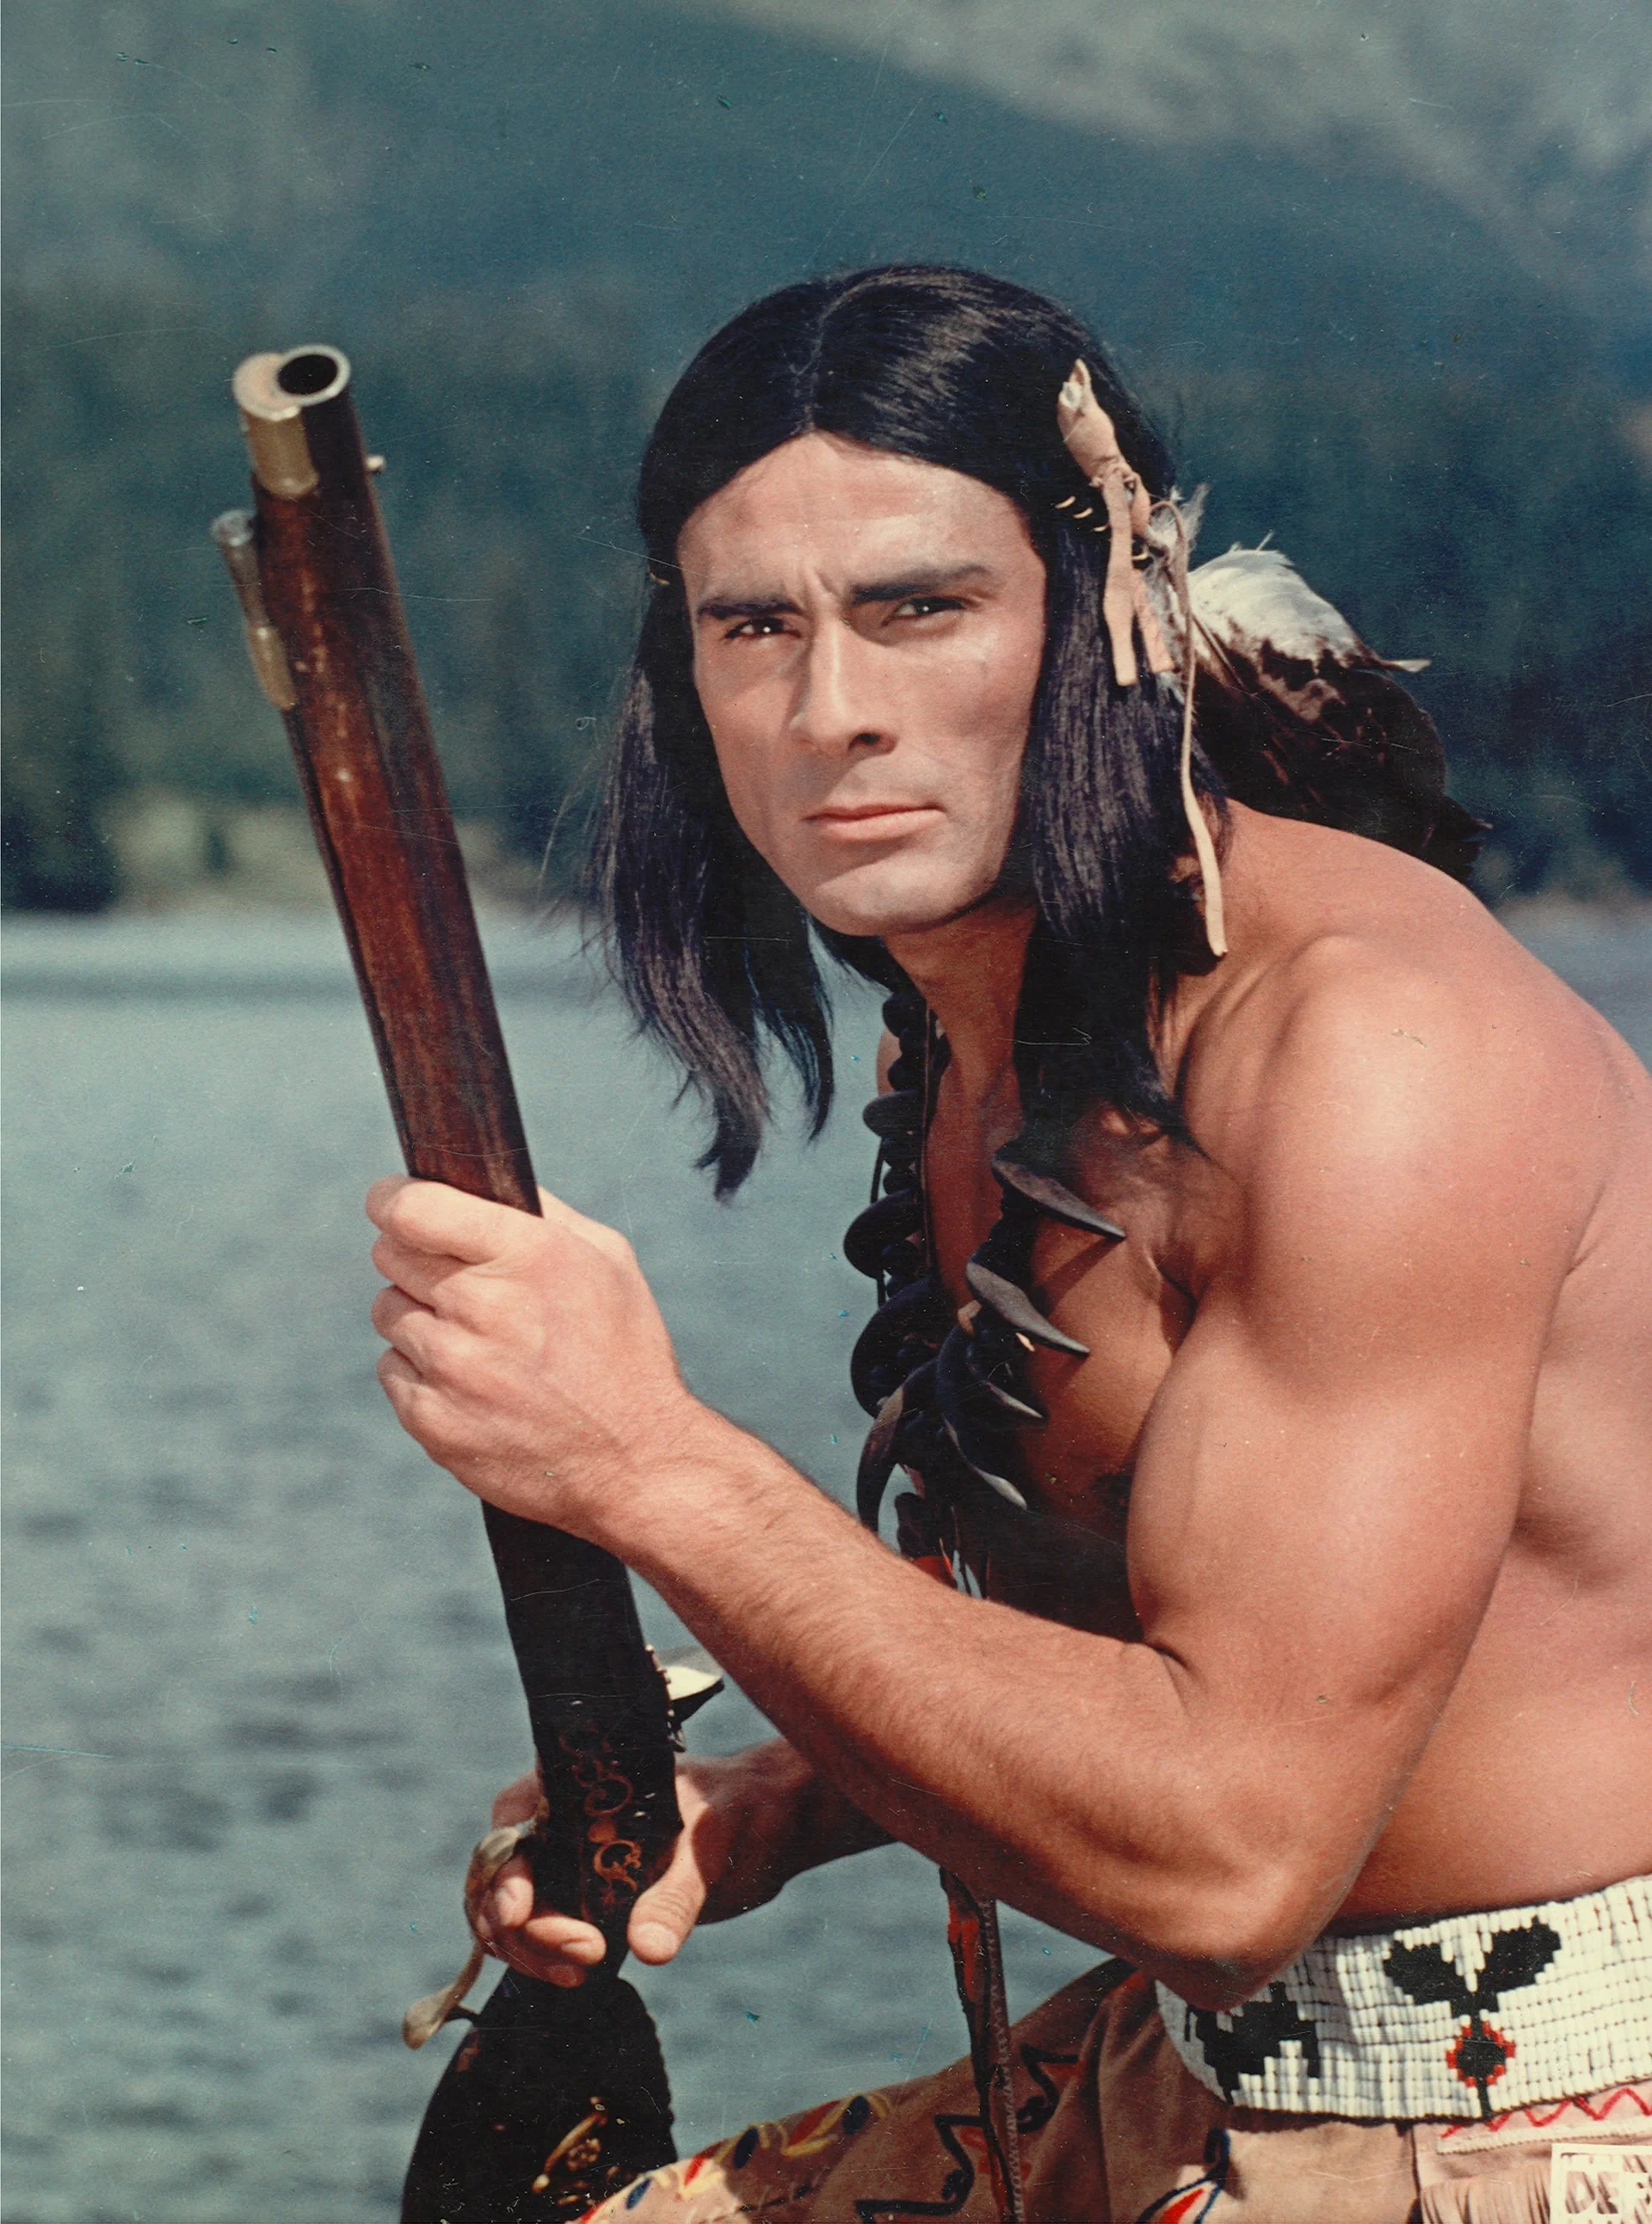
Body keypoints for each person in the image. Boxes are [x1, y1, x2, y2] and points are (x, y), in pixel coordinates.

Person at [367, 267, 1652, 2221]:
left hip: (1541, 2131)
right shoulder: (976, 1035)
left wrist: (656, 1466)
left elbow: (1229, 1856)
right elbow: (1159, 1615)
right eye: (753, 627)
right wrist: (778, 1801)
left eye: (920, 608)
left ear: (1097, 619)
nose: (832, 713)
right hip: (1184, 2068)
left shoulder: (1372, 1052)